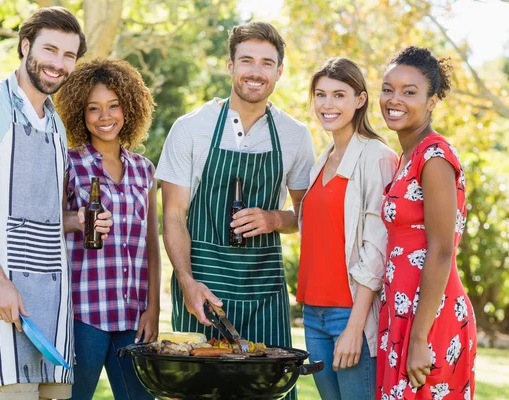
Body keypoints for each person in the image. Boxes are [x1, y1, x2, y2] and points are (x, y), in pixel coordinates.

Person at [0, 7, 112, 400]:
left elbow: (43, 211)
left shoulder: (56, 124)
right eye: (50, 50)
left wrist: (77, 220)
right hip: (5, 291)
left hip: (54, 296)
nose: (58, 63)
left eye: (68, 55)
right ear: (25, 47)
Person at [155, 21, 315, 399]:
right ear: (230, 66)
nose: (255, 71)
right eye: (246, 60)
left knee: (269, 391)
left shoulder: (295, 136)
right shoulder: (191, 128)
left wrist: (275, 218)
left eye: (266, 62)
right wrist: (186, 282)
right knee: (203, 392)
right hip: (203, 292)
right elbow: (173, 217)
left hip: (265, 291)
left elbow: (307, 217)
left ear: (279, 70)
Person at [56, 58, 160, 400]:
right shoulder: (70, 164)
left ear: (128, 108)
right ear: (80, 114)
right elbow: (50, 222)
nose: (105, 117)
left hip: (134, 315)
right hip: (84, 312)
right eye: (93, 108)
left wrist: (153, 308)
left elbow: (151, 243)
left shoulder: (144, 169)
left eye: (113, 106)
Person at [377, 46, 477, 400]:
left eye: (409, 91)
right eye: (388, 88)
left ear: (432, 101)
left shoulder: (435, 156)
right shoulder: (408, 154)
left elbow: (441, 249)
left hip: (430, 318)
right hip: (402, 315)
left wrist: (418, 339)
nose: (394, 99)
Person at [297, 57, 397, 400]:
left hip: (349, 312)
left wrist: (355, 325)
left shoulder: (377, 157)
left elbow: (377, 247)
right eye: (321, 95)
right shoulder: (321, 160)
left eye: (339, 95)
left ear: (360, 99)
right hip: (313, 314)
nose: (328, 104)